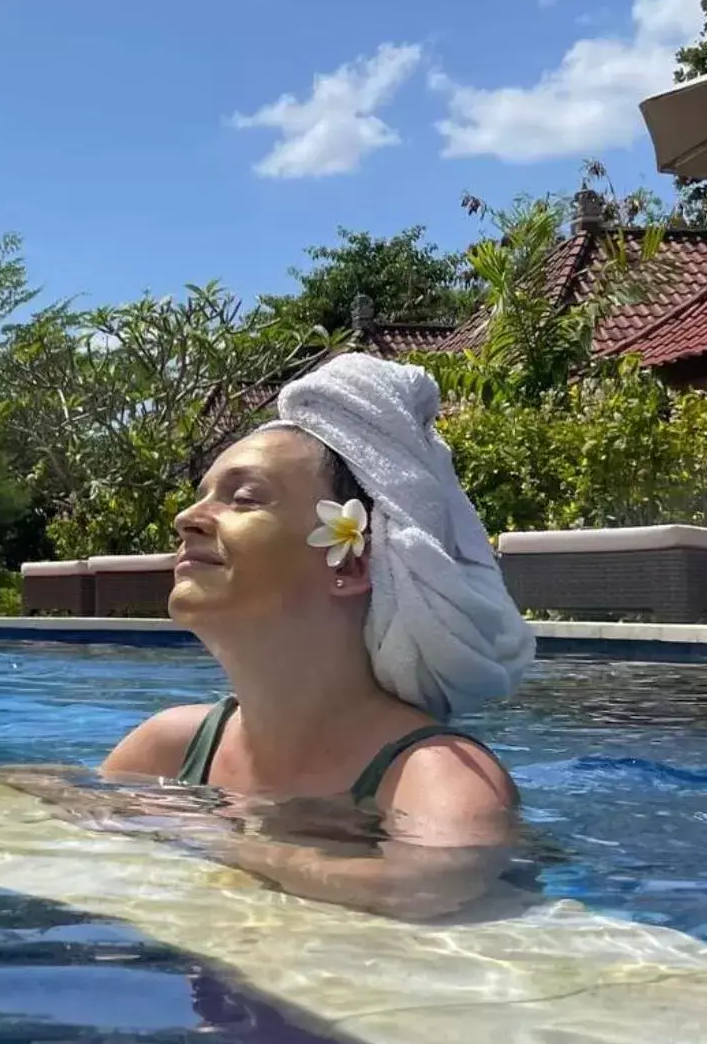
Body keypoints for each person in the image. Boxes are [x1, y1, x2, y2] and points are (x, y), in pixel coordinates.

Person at [99, 353, 535, 919]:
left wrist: (214, 838)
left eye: (244, 498)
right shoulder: (171, 746)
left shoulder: (434, 775)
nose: (188, 517)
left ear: (351, 565)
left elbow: (433, 882)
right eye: (203, 494)